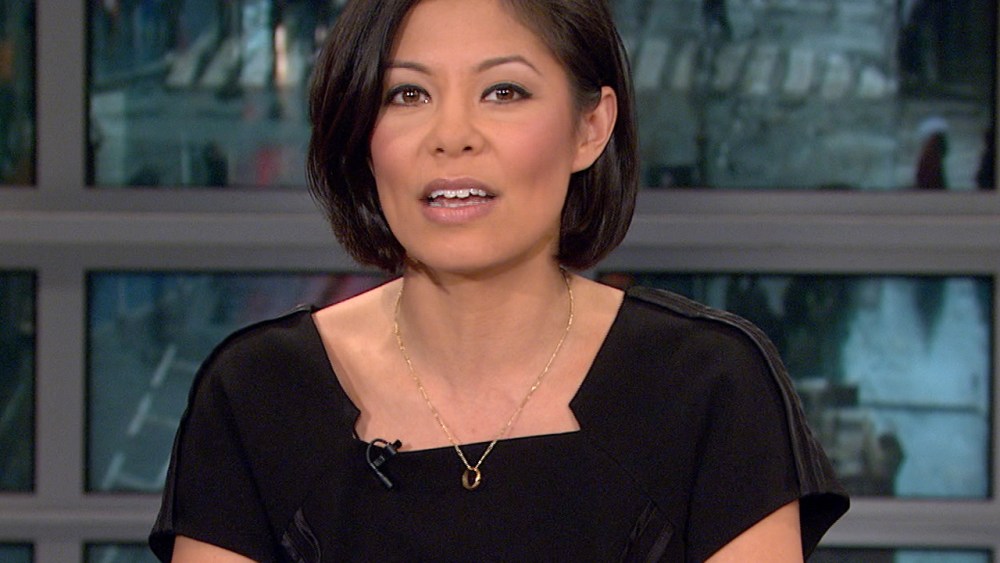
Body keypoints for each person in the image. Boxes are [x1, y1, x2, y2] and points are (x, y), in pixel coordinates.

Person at [149, 0, 848, 561]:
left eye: (503, 91)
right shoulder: (258, 394)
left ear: (590, 126)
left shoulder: (710, 386)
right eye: (407, 93)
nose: (452, 134)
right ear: (362, 135)